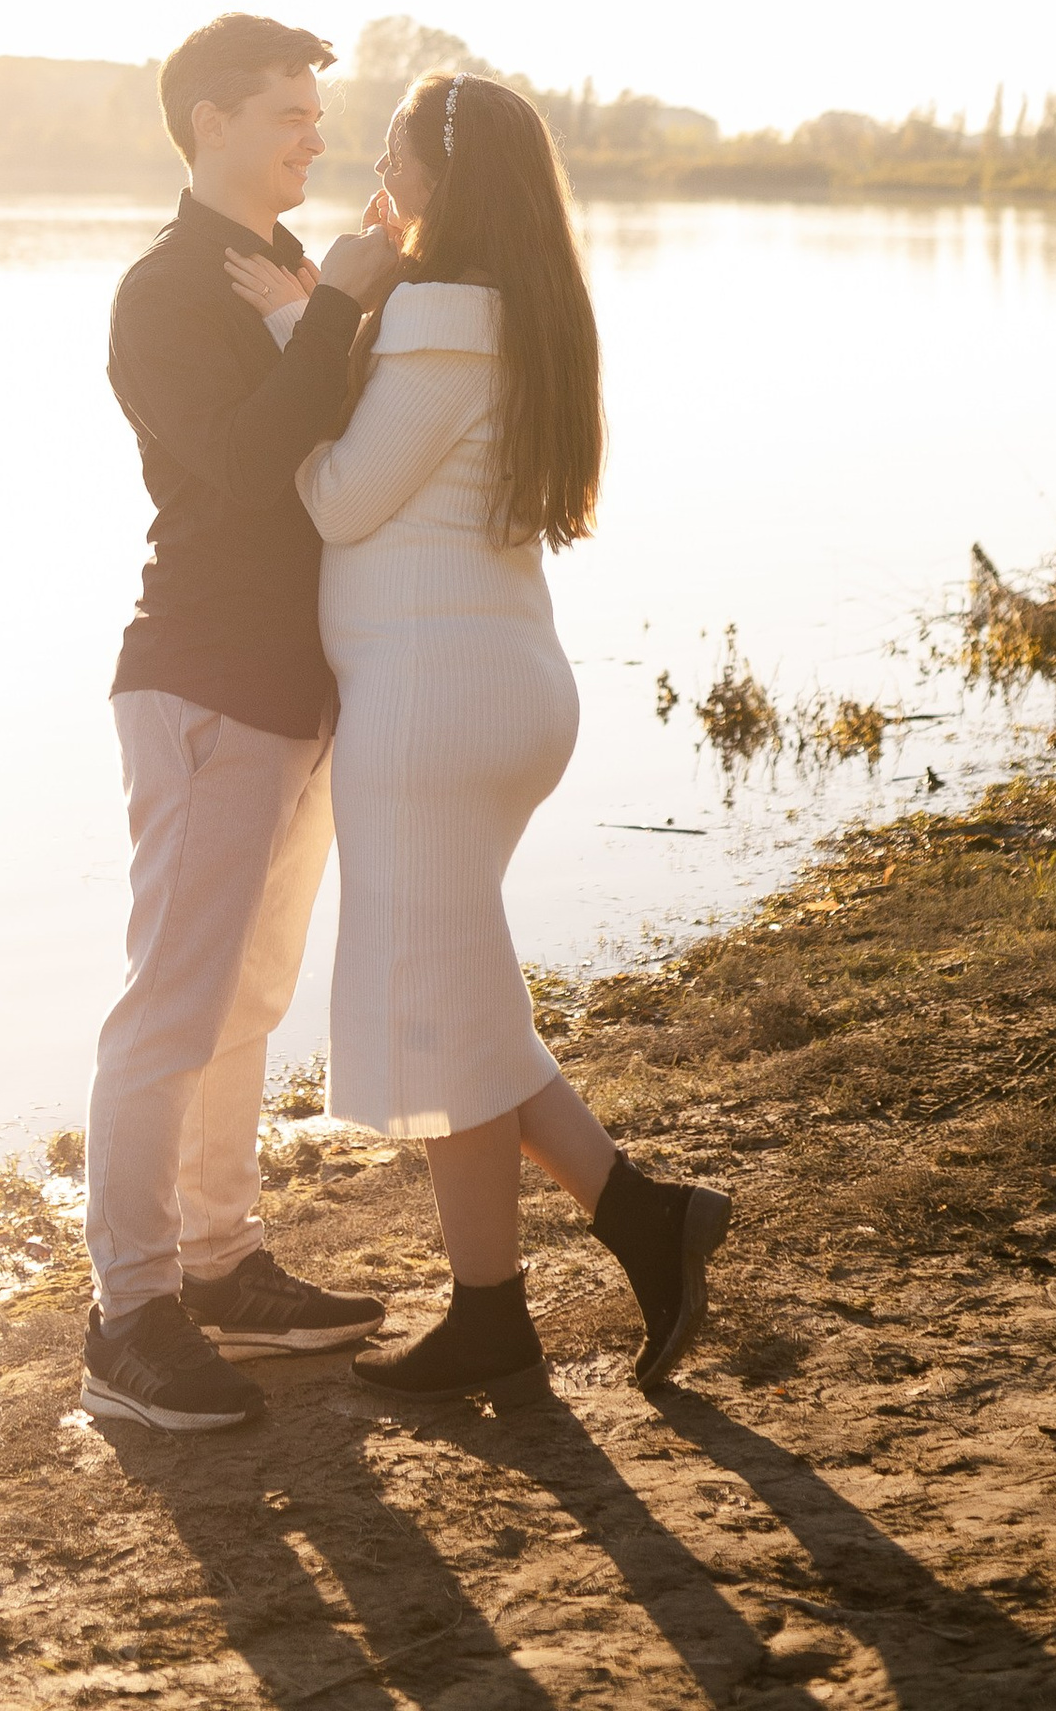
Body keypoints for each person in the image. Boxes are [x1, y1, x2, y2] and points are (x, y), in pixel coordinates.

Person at [227, 67, 731, 1396]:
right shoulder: (506, 313)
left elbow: (338, 498)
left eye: (394, 160)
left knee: (445, 1011)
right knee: (463, 1000)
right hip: (491, 691)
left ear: (439, 184)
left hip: (432, 712)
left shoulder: (439, 319)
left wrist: (302, 331)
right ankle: (616, 1238)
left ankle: (537, 1286)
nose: (377, 186)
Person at [80, 12, 407, 1437]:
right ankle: (129, 1315)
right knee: (172, 1003)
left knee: (250, 1000)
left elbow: (354, 448)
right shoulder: (161, 292)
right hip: (204, 679)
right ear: (207, 120)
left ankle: (222, 1266)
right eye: (286, 111)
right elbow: (244, 464)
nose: (313, 134)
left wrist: (346, 295)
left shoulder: (280, 271)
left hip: (300, 685)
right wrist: (330, 306)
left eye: (316, 112)